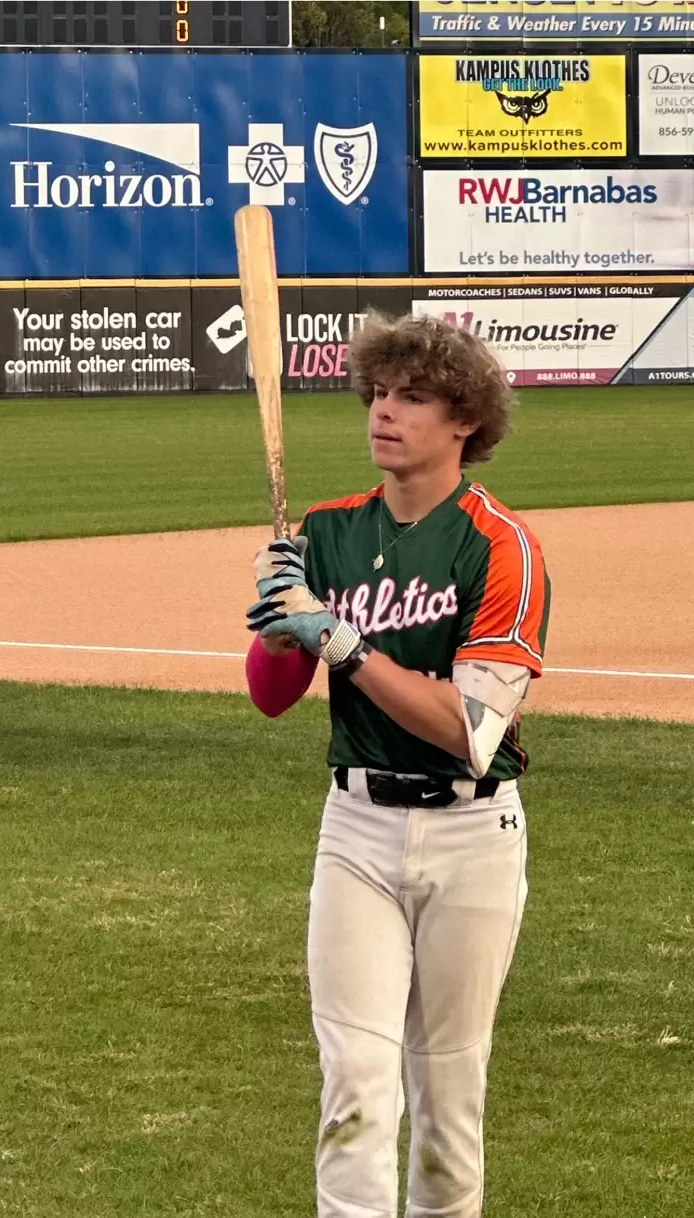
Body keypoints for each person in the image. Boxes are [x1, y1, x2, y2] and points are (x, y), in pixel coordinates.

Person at [244, 311, 551, 1218]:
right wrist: (279, 623)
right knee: (355, 1078)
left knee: (448, 1094)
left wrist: (339, 640)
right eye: (377, 393)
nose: (384, 411)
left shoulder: (500, 546)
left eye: (412, 397)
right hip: (357, 832)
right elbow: (271, 695)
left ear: (466, 421)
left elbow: (472, 731)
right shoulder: (327, 531)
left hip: (472, 836)